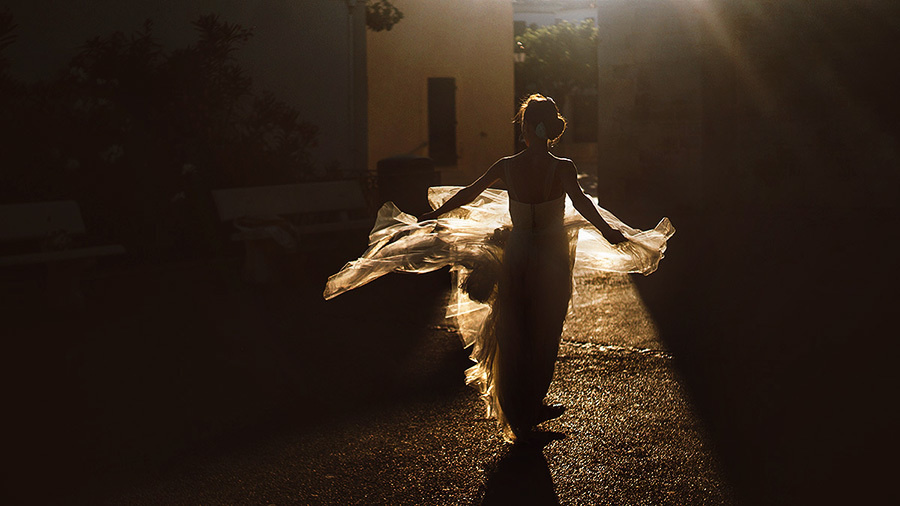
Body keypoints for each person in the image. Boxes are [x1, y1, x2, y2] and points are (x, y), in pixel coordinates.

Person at [324, 94, 673, 443]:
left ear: (524, 128)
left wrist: (435, 214)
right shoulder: (563, 167)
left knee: (514, 330)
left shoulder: (507, 165)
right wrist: (609, 231)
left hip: (519, 253)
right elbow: (582, 203)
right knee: (545, 331)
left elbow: (469, 194)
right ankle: (531, 404)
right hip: (550, 255)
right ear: (550, 129)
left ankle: (518, 407)